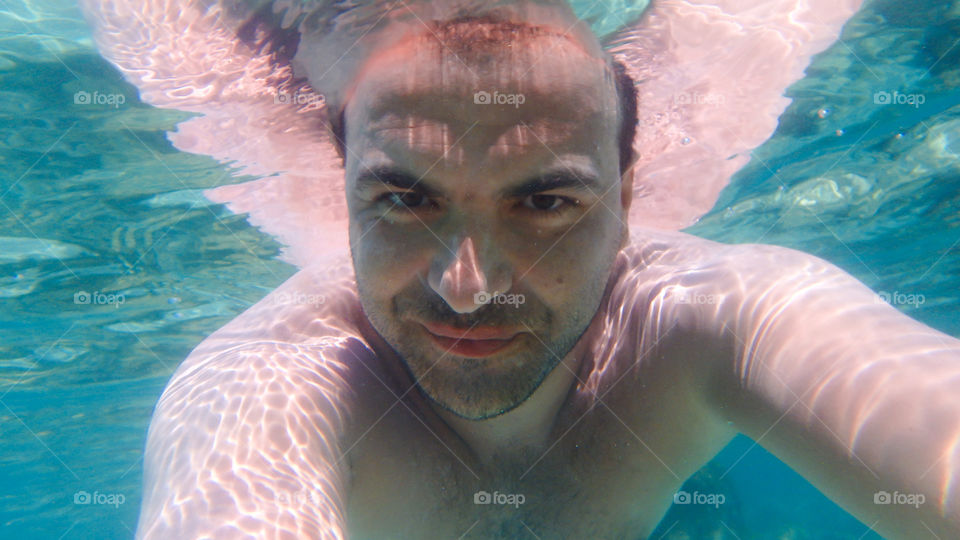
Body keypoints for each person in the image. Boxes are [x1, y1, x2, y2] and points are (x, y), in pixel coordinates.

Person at [80, 1, 960, 538]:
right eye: (404, 200)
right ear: (342, 197)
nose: (469, 286)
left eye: (543, 203)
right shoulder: (267, 387)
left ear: (627, 198)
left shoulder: (713, 318)